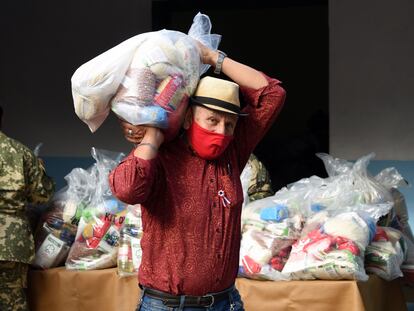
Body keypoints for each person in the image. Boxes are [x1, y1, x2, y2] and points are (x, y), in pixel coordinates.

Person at [109, 43, 286, 311]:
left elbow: (272, 94)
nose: (222, 132)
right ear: (189, 117)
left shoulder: (232, 153)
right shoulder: (162, 156)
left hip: (225, 303)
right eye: (212, 120)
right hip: (167, 306)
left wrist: (212, 57)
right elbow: (127, 189)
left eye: (229, 124)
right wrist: (153, 134)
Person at [0, 105, 55, 311]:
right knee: (12, 303)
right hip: (11, 244)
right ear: (2, 119)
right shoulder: (20, 152)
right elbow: (42, 196)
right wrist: (39, 167)